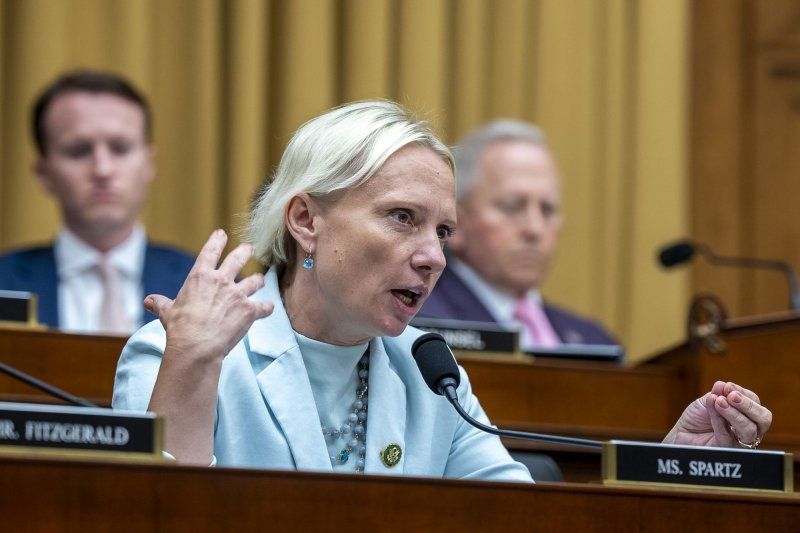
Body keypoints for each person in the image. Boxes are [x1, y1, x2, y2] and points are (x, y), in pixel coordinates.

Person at [112, 100, 772, 482]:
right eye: (403, 218)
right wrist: (191, 365)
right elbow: (154, 517)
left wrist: (674, 463)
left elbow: (525, 521)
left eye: (444, 229)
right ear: (307, 219)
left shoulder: (427, 373)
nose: (433, 256)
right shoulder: (174, 353)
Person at [0, 70, 194, 334]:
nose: (102, 170)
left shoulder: (205, 286)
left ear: (148, 164)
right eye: (78, 151)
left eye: (120, 148)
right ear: (44, 174)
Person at [417, 120, 616, 350]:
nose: (534, 228)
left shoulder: (595, 340)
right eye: (512, 207)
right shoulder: (419, 327)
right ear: (457, 223)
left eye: (547, 209)